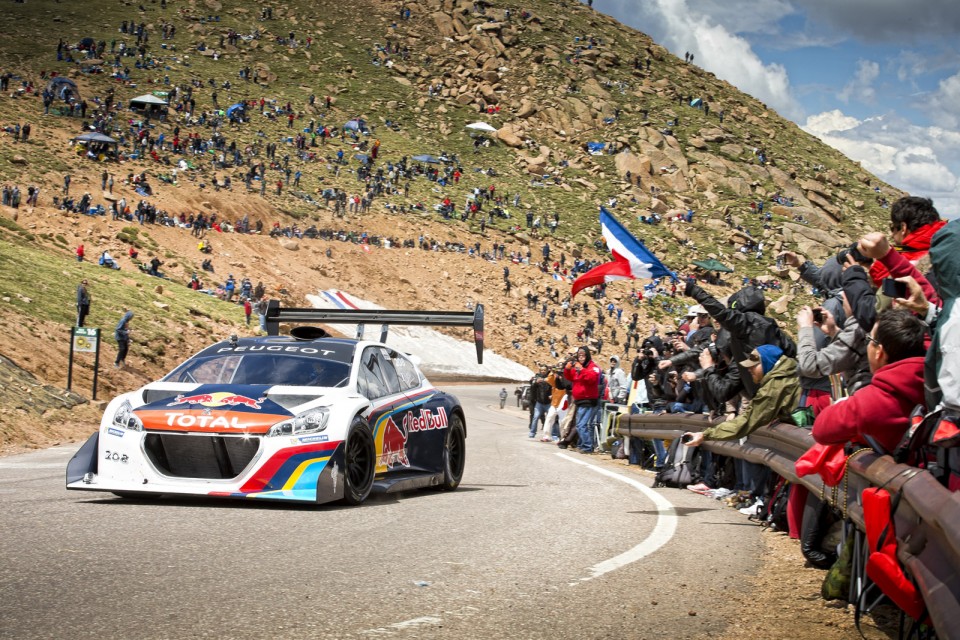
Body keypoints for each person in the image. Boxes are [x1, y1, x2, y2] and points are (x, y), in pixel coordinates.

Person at [812, 309, 927, 453]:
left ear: (879, 352)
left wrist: (844, 403)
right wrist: (835, 332)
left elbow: (820, 430)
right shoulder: (935, 370)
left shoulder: (874, 400)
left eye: (869, 340)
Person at [563, 346, 602, 453]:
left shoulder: (593, 367)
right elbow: (570, 377)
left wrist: (581, 369)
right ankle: (584, 445)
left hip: (589, 400)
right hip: (579, 401)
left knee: (581, 425)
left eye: (583, 355)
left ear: (587, 355)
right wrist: (567, 369)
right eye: (579, 355)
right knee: (580, 425)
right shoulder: (578, 367)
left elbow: (592, 378)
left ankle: (587, 446)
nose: (581, 357)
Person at [528, 365, 553, 438]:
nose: (543, 371)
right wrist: (535, 382)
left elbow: (554, 387)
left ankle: (552, 434)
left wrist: (552, 395)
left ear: (547, 370)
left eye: (544, 370)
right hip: (539, 403)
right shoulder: (537, 378)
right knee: (535, 417)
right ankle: (532, 433)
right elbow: (532, 388)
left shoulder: (550, 378)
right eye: (541, 370)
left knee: (551, 418)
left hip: (548, 403)